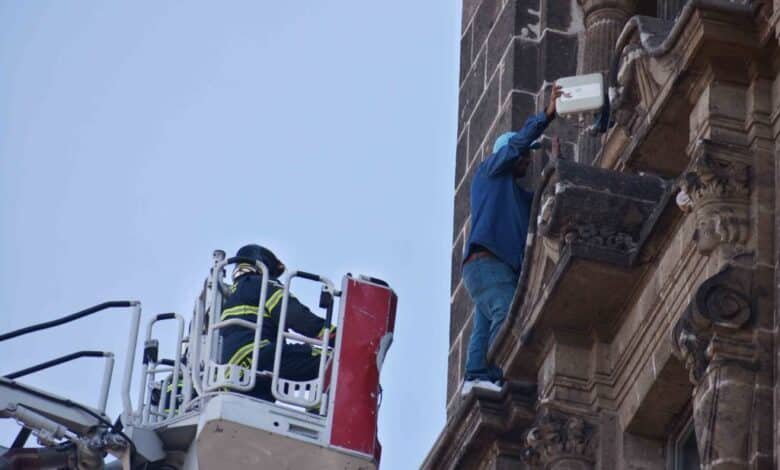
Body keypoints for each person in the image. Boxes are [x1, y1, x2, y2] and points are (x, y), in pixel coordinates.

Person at [461, 85, 564, 395]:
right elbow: (517, 145)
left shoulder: (516, 197)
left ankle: (476, 375)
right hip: (488, 264)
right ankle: (495, 374)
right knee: (504, 312)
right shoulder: (489, 172)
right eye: (525, 155)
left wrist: (557, 166)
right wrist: (544, 117)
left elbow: (541, 203)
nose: (527, 161)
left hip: (490, 269)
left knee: (485, 321)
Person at [220, 244, 336, 401]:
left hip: (234, 373)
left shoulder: (230, 298)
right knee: (332, 361)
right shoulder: (260, 283)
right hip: (257, 357)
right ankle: (320, 411)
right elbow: (294, 315)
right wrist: (333, 334)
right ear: (262, 265)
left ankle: (319, 407)